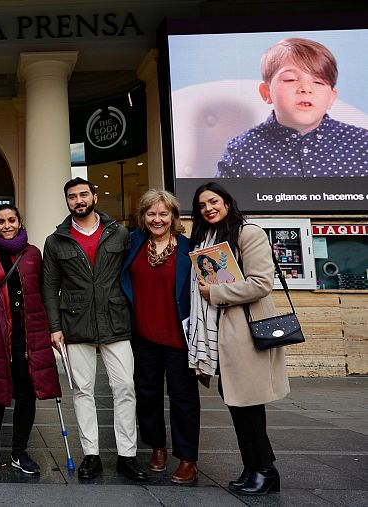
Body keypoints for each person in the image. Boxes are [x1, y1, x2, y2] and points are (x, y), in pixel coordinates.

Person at [41, 177, 146, 481]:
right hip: (75, 322)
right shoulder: (56, 240)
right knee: (82, 391)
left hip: (116, 320)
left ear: (95, 197)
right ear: (67, 202)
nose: (78, 200)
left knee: (125, 387)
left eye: (83, 194)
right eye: (72, 196)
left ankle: (127, 455)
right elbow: (49, 287)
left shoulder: (119, 233)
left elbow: (133, 274)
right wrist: (54, 327)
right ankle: (92, 455)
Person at [189, 182, 289, 495]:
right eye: (203, 205)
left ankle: (265, 470)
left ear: (227, 202)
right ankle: (253, 466)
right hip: (223, 333)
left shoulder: (249, 233)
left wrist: (214, 292)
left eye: (213, 201)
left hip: (246, 331)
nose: (208, 208)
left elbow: (262, 284)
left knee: (247, 404)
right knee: (238, 403)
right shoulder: (209, 239)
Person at [0, 204, 61, 478]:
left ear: (19, 222)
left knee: (27, 396)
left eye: (11, 220)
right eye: (1, 221)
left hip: (28, 338)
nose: (6, 225)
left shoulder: (32, 254)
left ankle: (20, 451)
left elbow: (43, 293)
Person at [119, 190, 200, 484]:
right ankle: (157, 448)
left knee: (183, 399)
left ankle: (188, 458)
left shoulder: (190, 250)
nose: (157, 219)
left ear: (173, 217)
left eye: (163, 213)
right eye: (151, 214)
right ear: (143, 217)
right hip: (143, 336)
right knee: (147, 396)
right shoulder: (133, 244)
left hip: (179, 338)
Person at [215, 37, 368, 178]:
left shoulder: (362, 143)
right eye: (291, 79)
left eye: (318, 82)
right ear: (266, 92)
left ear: (331, 98)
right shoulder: (242, 150)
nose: (306, 89)